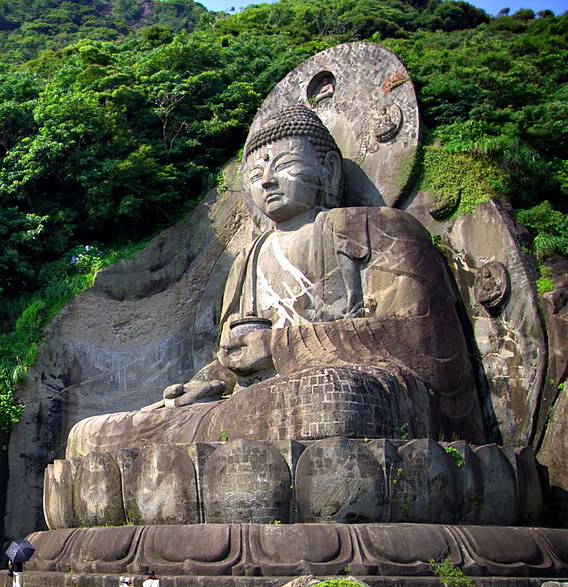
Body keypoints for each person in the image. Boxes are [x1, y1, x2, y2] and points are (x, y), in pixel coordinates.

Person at [62, 105, 484, 463]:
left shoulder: (377, 226)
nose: (267, 180)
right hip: (253, 405)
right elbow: (234, 357)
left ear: (329, 169)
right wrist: (206, 381)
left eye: (283, 165)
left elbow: (424, 337)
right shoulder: (248, 257)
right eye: (257, 171)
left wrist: (278, 347)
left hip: (342, 394)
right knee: (91, 435)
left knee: (331, 397)